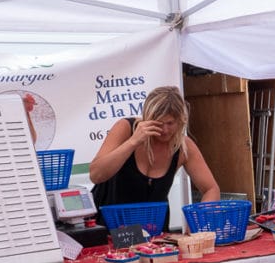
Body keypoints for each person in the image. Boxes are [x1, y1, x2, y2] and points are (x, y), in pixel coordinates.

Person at [88, 85, 220, 227]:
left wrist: (197, 220)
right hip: (107, 229)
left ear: (180, 120)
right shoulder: (126, 128)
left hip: (154, 235)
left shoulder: (183, 147)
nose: (164, 130)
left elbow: (211, 189)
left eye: (170, 123)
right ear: (147, 118)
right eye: (158, 123)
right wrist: (133, 142)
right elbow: (96, 175)